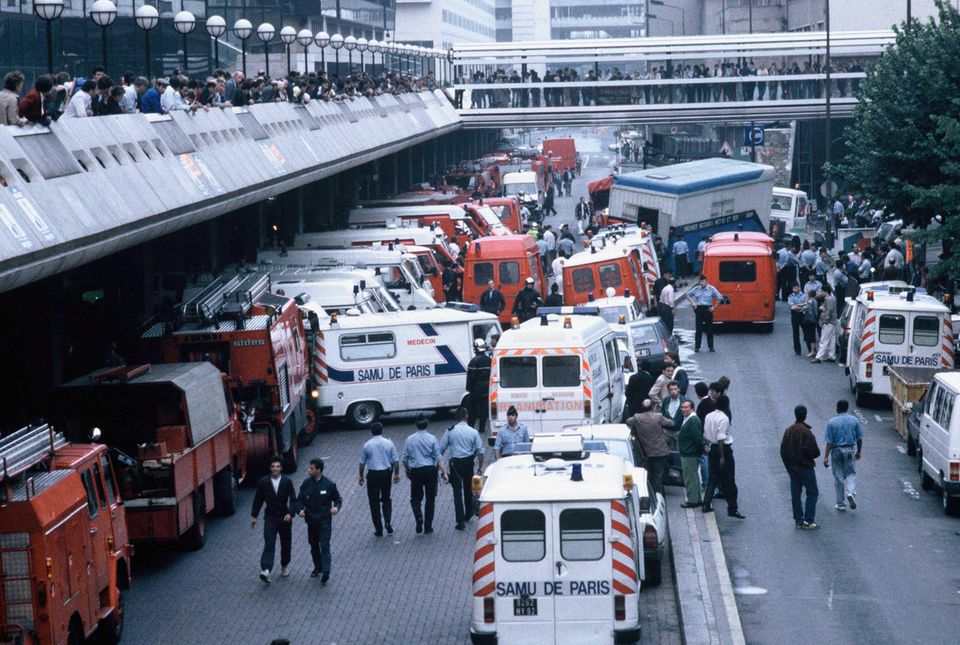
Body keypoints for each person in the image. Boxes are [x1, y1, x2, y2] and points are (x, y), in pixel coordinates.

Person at [250, 456, 297, 583]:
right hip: (270, 517)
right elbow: (258, 499)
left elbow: (293, 499)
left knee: (286, 543)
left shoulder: (287, 482)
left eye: (277, 466)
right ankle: (266, 569)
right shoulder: (263, 482)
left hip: (284, 517)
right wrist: (254, 516)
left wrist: (291, 513)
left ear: (281, 468)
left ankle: (284, 565)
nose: (275, 469)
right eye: (273, 467)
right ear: (270, 468)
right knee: (269, 543)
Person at [296, 458, 342, 583]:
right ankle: (318, 567)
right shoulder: (306, 484)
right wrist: (299, 510)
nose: (308, 470)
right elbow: (299, 500)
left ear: (318, 470)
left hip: (324, 520)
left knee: (325, 544)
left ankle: (326, 570)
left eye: (311, 468)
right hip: (311, 520)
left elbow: (337, 499)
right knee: (314, 544)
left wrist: (336, 508)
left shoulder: (329, 484)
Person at [439, 407, 485, 530]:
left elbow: (441, 449)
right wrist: (480, 467)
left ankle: (460, 521)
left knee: (457, 492)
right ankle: (468, 512)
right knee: (468, 488)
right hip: (469, 462)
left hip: (455, 464)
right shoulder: (473, 432)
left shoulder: (450, 431)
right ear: (466, 417)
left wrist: (441, 468)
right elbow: (481, 451)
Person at [403, 413, 447, 534]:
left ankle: (418, 516)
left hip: (416, 470)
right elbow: (439, 458)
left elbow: (404, 459)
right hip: (430, 470)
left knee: (415, 498)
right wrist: (444, 472)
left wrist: (408, 471)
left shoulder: (410, 439)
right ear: (427, 424)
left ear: (416, 425)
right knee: (430, 499)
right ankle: (428, 527)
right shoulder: (432, 438)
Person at [701, 395, 744, 518]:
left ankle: (706, 504)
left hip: (712, 448)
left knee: (713, 478)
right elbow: (721, 438)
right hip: (723, 450)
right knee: (729, 480)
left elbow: (706, 432)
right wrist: (722, 457)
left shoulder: (709, 416)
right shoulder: (724, 418)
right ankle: (732, 508)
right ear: (726, 405)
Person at [780, 405, 821, 529]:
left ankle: (798, 520)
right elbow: (815, 452)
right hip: (805, 466)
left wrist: (788, 465)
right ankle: (809, 520)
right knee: (812, 492)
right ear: (805, 415)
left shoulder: (788, 430)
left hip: (792, 466)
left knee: (796, 493)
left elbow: (782, 450)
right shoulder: (806, 432)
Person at [358, 422, 400, 537]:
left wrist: (361, 476)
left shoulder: (367, 445)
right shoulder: (389, 443)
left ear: (371, 432)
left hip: (373, 475)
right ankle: (388, 521)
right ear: (382, 430)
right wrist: (396, 474)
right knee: (386, 499)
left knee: (374, 502)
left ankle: (379, 528)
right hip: (386, 474)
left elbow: (362, 463)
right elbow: (396, 461)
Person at [626, 399, 676, 496]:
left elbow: (628, 421)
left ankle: (649, 492)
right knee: (658, 474)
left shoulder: (637, 418)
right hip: (660, 451)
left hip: (645, 451)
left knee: (647, 473)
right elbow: (671, 423)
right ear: (653, 407)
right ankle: (658, 494)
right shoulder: (658, 417)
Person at [823, 399, 863, 511]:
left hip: (836, 451)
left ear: (837, 408)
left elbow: (829, 442)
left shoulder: (831, 422)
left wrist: (826, 456)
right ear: (847, 408)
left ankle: (840, 503)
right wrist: (859, 451)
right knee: (850, 473)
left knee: (838, 476)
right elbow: (859, 438)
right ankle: (850, 492)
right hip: (850, 450)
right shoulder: (854, 420)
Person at [678, 400, 705, 508]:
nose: (684, 409)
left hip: (690, 453)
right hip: (690, 452)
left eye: (686, 407)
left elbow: (698, 438)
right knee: (693, 476)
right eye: (682, 407)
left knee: (689, 477)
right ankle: (697, 498)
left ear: (692, 408)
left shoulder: (692, 420)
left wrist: (697, 451)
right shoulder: (690, 419)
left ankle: (692, 500)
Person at [686, 275, 722, 352]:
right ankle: (697, 347)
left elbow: (720, 297)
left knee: (709, 329)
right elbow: (687, 295)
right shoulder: (696, 289)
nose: (702, 283)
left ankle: (711, 347)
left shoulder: (711, 289)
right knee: (698, 329)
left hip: (708, 309)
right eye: (701, 281)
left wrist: (714, 307)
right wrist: (693, 303)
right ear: (699, 282)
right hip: (699, 309)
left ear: (706, 281)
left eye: (703, 281)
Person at [465, 339, 492, 433]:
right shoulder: (490, 360)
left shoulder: (473, 361)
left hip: (475, 390)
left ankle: (471, 427)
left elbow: (470, 377)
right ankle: (482, 427)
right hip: (486, 389)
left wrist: (468, 388)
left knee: (473, 409)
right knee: (484, 409)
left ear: (476, 349)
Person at [812, 284, 838, 363]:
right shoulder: (831, 298)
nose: (820, 293)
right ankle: (832, 356)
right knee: (832, 339)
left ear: (825, 292)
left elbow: (829, 311)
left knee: (824, 339)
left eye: (822, 291)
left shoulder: (829, 299)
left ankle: (819, 357)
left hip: (828, 322)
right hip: (833, 321)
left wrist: (825, 321)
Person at [788, 283, 806, 356]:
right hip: (795, 316)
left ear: (799, 287)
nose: (795, 289)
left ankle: (811, 349)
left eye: (796, 287)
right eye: (794, 288)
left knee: (806, 332)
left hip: (803, 315)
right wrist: (801, 305)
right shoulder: (790, 296)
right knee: (795, 333)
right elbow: (792, 307)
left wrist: (797, 305)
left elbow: (806, 304)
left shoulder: (804, 295)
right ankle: (797, 350)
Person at [801, 289, 819, 357]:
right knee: (811, 335)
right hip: (812, 319)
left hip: (810, 320)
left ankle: (812, 351)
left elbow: (807, 309)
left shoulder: (811, 302)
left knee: (811, 336)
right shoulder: (814, 301)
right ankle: (813, 350)